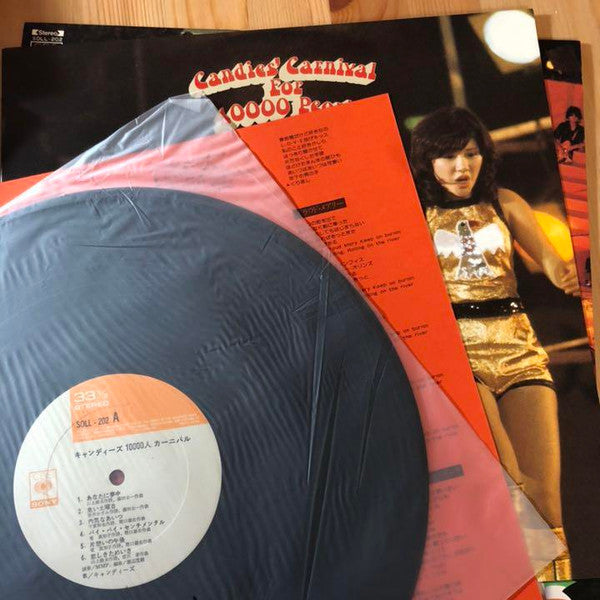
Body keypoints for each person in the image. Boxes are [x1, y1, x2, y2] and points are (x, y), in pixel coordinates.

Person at [410, 106, 579, 581]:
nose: (461, 167)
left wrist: (568, 272)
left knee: (546, 501)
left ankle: (558, 589)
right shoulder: (415, 213)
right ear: (427, 162)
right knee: (509, 482)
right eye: (447, 157)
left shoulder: (506, 202)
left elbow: (552, 263)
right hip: (459, 355)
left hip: (520, 348)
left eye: (470, 153)